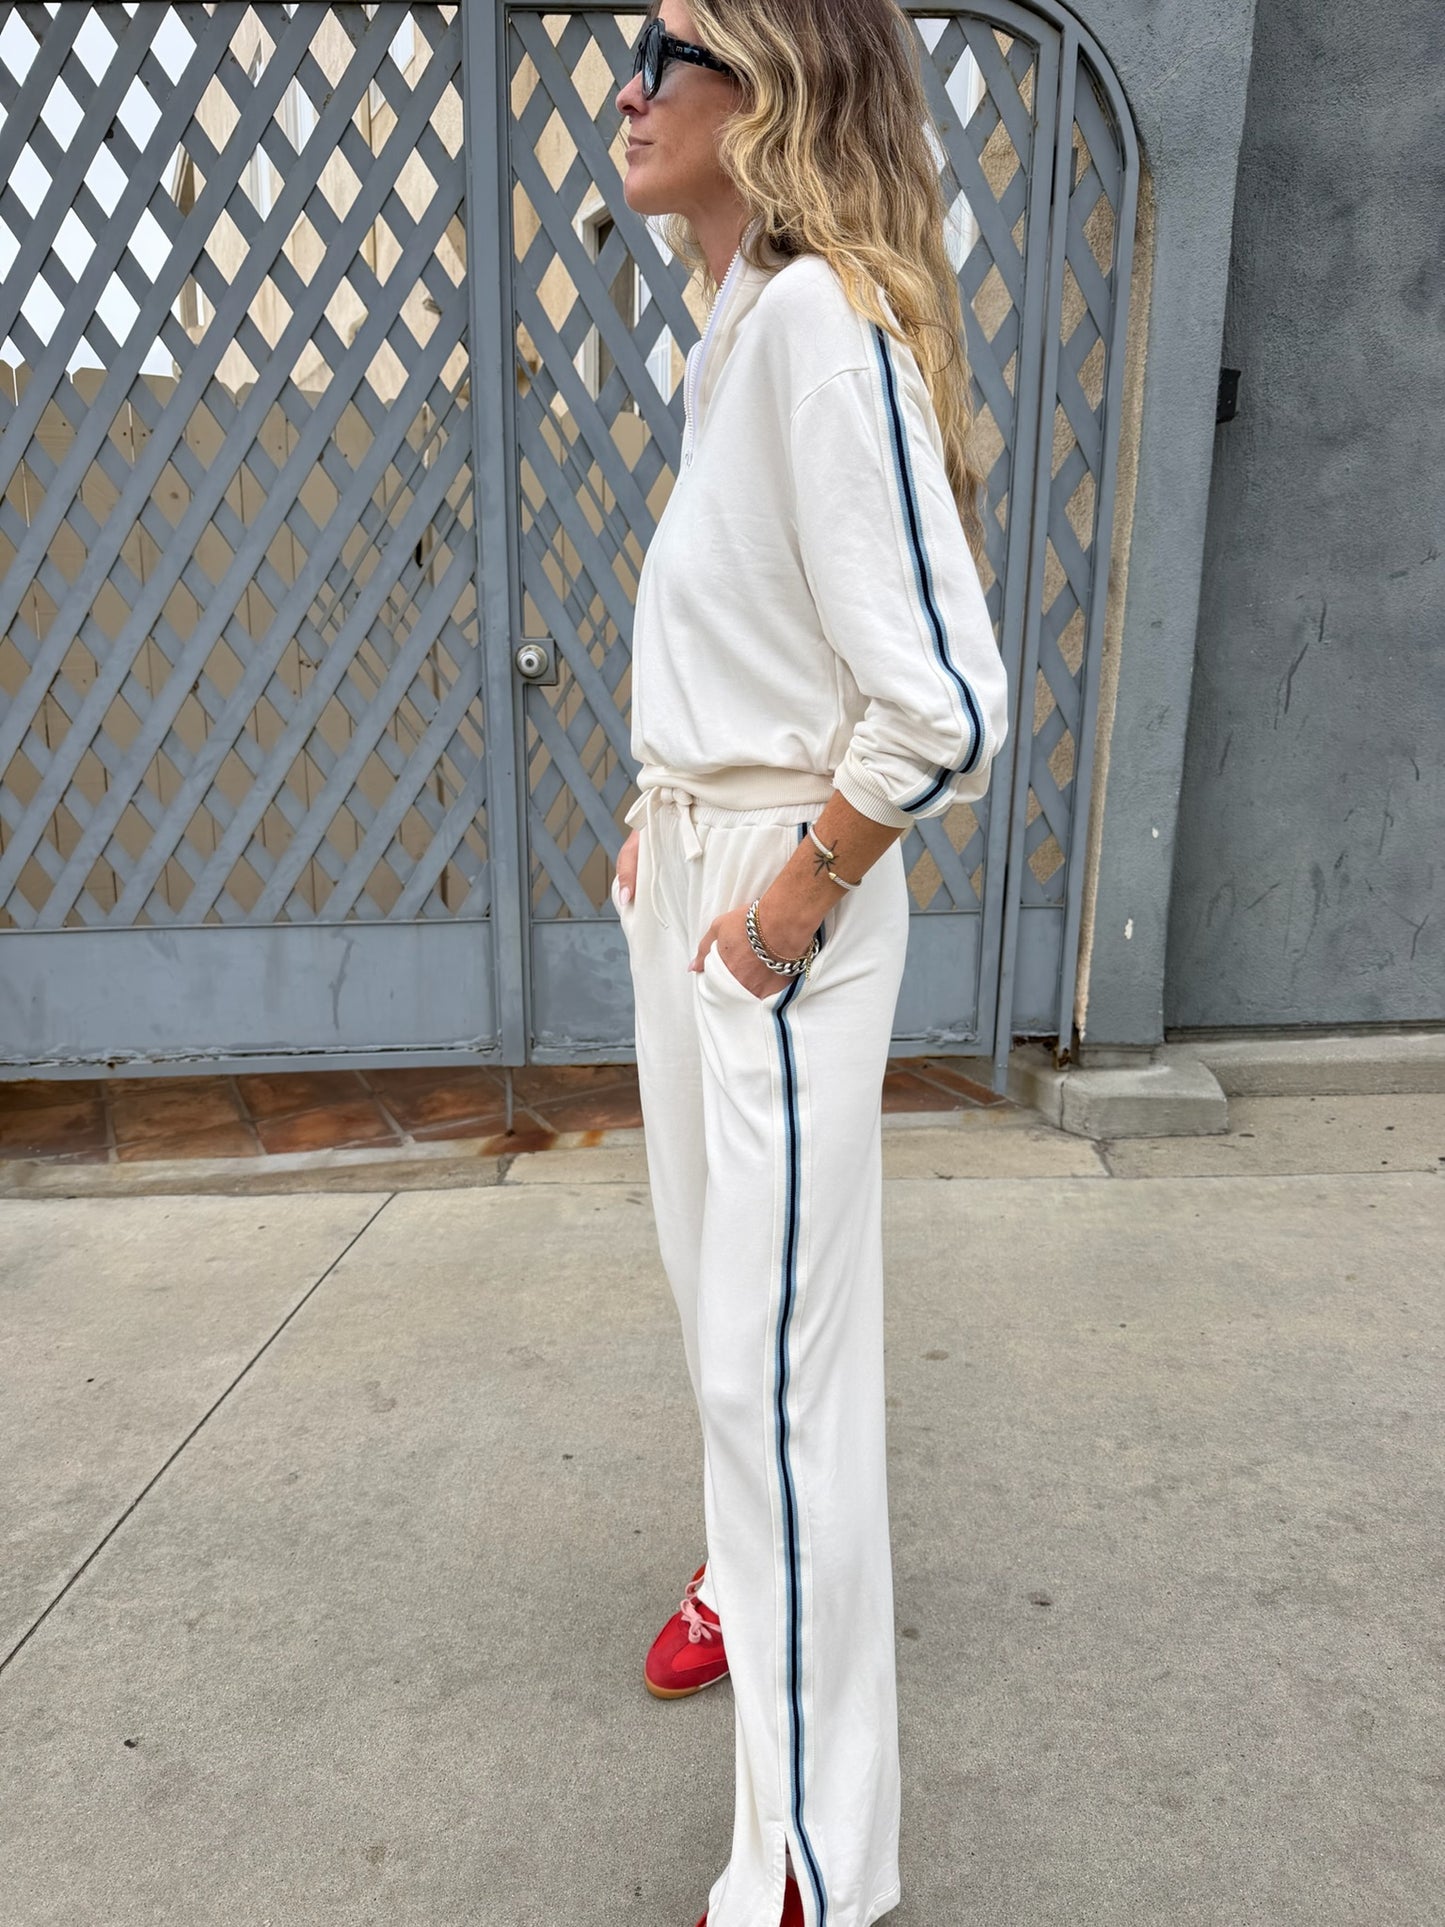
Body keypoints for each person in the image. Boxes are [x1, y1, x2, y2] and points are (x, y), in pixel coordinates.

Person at [611, 4, 1010, 1923]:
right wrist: (666, 803)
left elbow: (939, 707)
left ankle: (812, 1874)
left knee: (787, 1390)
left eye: (661, 50)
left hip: (780, 907)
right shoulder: (728, 334)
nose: (622, 85)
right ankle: (722, 1572)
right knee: (722, 1316)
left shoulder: (819, 329)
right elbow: (760, 629)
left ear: (763, 95)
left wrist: (787, 889)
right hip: (700, 863)